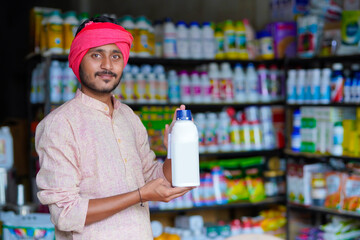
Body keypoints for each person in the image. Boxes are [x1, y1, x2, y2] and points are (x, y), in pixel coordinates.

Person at [35, 16, 193, 239]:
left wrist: (176, 150)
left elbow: (154, 179)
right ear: (79, 59)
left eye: (116, 56)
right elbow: (66, 213)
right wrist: (139, 195)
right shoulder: (59, 125)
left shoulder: (128, 117)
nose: (107, 65)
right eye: (96, 54)